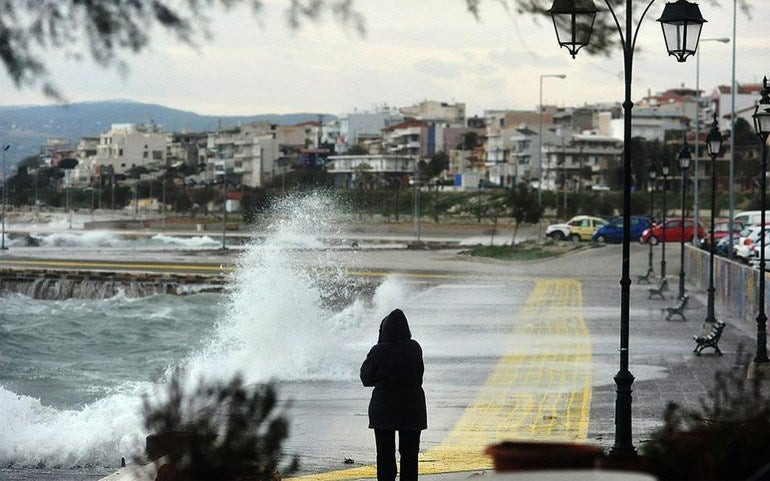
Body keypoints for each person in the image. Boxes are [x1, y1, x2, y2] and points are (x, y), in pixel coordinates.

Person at [360, 309, 427, 481]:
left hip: (384, 408)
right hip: (413, 408)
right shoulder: (415, 348)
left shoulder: (378, 351)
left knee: (384, 454)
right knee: (410, 456)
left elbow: (365, 378)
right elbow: (419, 375)